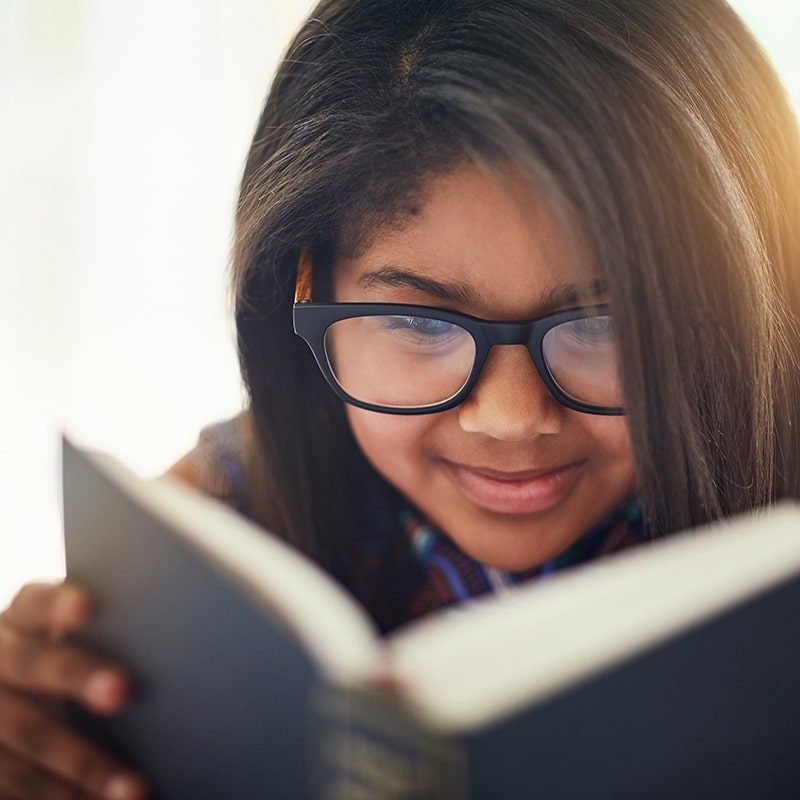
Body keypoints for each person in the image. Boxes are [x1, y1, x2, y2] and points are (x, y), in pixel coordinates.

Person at [1, 0, 798, 797]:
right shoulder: (217, 535)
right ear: (304, 286)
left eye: (603, 324)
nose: (510, 418)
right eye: (421, 322)